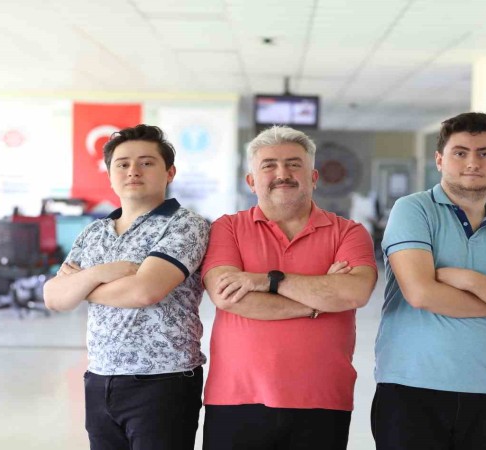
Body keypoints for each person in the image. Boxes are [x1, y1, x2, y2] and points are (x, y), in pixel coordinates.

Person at [372, 112, 486, 450]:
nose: (472, 162)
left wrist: (468, 279)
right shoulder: (413, 210)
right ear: (440, 160)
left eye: (485, 153)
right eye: (460, 152)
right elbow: (421, 293)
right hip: (411, 386)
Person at [201, 125, 377, 450]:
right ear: (251, 181)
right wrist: (318, 302)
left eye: (294, 164)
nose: (282, 174)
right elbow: (228, 296)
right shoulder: (228, 228)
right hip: (236, 396)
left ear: (314, 177)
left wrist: (266, 280)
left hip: (323, 396)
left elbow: (354, 293)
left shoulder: (348, 233)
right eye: (269, 165)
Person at [42, 124, 210, 450]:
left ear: (170, 172)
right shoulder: (94, 232)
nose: (133, 170)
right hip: (99, 378)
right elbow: (53, 297)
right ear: (109, 174)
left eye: (146, 162)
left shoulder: (185, 224)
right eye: (122, 164)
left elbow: (144, 291)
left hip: (163, 382)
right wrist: (101, 273)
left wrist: (80, 286)